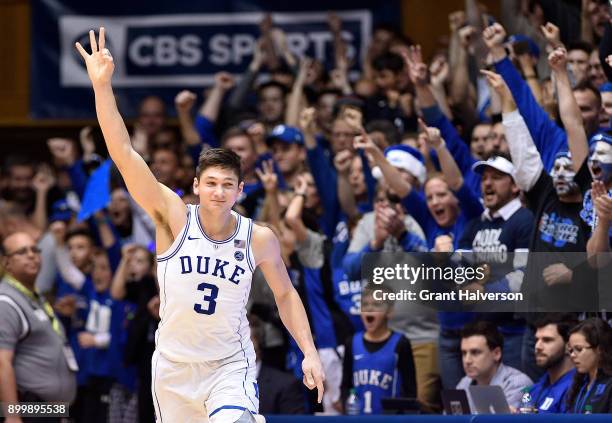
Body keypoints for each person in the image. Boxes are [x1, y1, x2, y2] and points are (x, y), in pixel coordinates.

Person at [76, 28, 324, 423]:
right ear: (195, 185)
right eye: (211, 183)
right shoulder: (172, 216)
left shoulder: (258, 237)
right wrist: (102, 87)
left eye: (228, 185)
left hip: (230, 365)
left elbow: (286, 294)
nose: (219, 192)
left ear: (241, 190)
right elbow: (124, 155)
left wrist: (309, 352)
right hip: (173, 368)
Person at [0, 232, 77, 423]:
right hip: (30, 411)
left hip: (50, 411)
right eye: (22, 251)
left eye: (35, 249)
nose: (32, 255)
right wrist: (12, 415)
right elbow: (1, 362)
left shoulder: (35, 296)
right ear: (6, 263)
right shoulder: (5, 301)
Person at [341, 285, 417, 414]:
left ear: (390, 312)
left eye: (376, 304)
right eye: (365, 304)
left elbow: (410, 391)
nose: (369, 308)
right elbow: (345, 386)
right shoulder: (351, 343)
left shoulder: (401, 344)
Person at [456, 321, 532, 409]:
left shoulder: (518, 384)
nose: (467, 360)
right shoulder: (464, 383)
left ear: (496, 354)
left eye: (475, 352)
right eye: (464, 353)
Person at [528, 313, 578, 413]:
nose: (538, 346)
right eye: (536, 340)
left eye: (547, 340)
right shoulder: (535, 388)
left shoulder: (578, 389)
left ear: (569, 346)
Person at [566, 318, 612, 413]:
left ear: (599, 349)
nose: (572, 355)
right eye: (571, 350)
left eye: (578, 349)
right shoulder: (579, 384)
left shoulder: (609, 384)